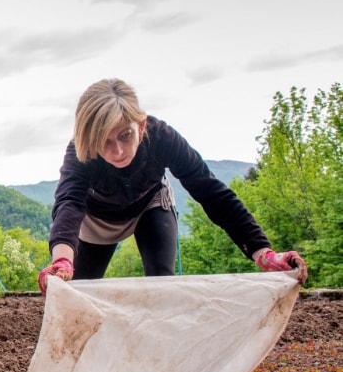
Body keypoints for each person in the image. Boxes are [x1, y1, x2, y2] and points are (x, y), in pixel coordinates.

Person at [38, 78, 307, 293]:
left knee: (162, 287)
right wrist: (62, 260)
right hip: (97, 220)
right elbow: (69, 202)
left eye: (125, 135)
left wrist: (263, 252)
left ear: (141, 126)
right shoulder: (79, 152)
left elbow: (210, 190)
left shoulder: (163, 137)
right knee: (76, 293)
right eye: (105, 142)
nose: (118, 151)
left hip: (149, 205)